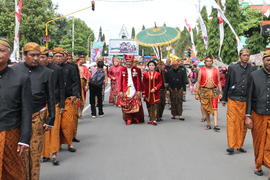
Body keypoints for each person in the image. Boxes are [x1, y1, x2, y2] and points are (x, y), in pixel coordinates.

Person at [14, 42, 55, 180]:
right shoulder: (15, 70)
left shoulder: (47, 73)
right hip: (17, 117)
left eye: (38, 55)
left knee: (34, 153)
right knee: (20, 153)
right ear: (24, 55)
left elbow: (51, 97)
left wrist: (51, 119)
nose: (36, 58)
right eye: (32, 55)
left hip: (37, 116)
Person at [0, 38, 32, 180]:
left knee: (14, 174)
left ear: (9, 54)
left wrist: (24, 138)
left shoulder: (21, 77)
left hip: (11, 132)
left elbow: (26, 110)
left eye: (1, 51)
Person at [222, 49, 255, 155]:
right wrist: (224, 98)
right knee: (232, 122)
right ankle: (231, 145)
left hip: (246, 100)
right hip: (233, 99)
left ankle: (239, 145)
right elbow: (227, 83)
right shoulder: (232, 68)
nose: (246, 57)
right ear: (240, 56)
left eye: (248, 55)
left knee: (243, 124)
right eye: (244, 55)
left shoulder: (253, 69)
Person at [245, 50, 270, 179]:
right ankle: (259, 165)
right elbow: (248, 97)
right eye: (268, 59)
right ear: (263, 61)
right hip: (257, 114)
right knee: (258, 142)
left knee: (269, 144)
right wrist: (247, 116)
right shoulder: (254, 75)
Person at [40, 47, 65, 166]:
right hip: (39, 106)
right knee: (42, 130)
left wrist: (61, 104)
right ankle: (45, 154)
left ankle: (54, 153)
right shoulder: (33, 71)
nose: (41, 59)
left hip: (54, 103)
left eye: (44, 57)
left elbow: (61, 87)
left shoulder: (57, 70)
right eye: (39, 56)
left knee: (54, 130)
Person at [57, 48, 80, 153]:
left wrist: (75, 95)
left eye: (60, 56)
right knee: (56, 125)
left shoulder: (71, 68)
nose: (58, 58)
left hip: (68, 99)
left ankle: (69, 144)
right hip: (55, 100)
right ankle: (56, 145)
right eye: (56, 56)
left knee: (68, 123)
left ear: (65, 57)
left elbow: (76, 82)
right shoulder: (50, 69)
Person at [195, 56, 222, 131]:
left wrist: (220, 92)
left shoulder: (216, 70)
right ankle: (209, 124)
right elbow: (198, 82)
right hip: (204, 90)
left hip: (214, 90)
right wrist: (196, 93)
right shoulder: (201, 70)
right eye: (207, 61)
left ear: (212, 62)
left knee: (215, 107)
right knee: (205, 107)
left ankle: (216, 125)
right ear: (205, 62)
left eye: (210, 61)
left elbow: (219, 82)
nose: (209, 62)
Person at [119, 55, 144, 125]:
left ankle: (136, 118)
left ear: (132, 62)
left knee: (136, 105)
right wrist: (120, 91)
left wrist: (139, 90)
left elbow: (139, 81)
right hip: (125, 90)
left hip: (135, 90)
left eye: (130, 62)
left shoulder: (137, 70)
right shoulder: (122, 70)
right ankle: (128, 118)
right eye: (127, 62)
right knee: (126, 105)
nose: (128, 63)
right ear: (125, 62)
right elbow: (120, 81)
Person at [142, 60, 162, 125]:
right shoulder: (145, 74)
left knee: (155, 106)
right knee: (149, 106)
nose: (151, 67)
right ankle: (151, 118)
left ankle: (154, 119)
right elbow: (143, 84)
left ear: (155, 66)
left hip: (155, 93)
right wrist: (144, 93)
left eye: (152, 65)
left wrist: (155, 88)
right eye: (150, 65)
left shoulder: (158, 74)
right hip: (148, 93)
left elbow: (160, 83)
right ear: (148, 66)